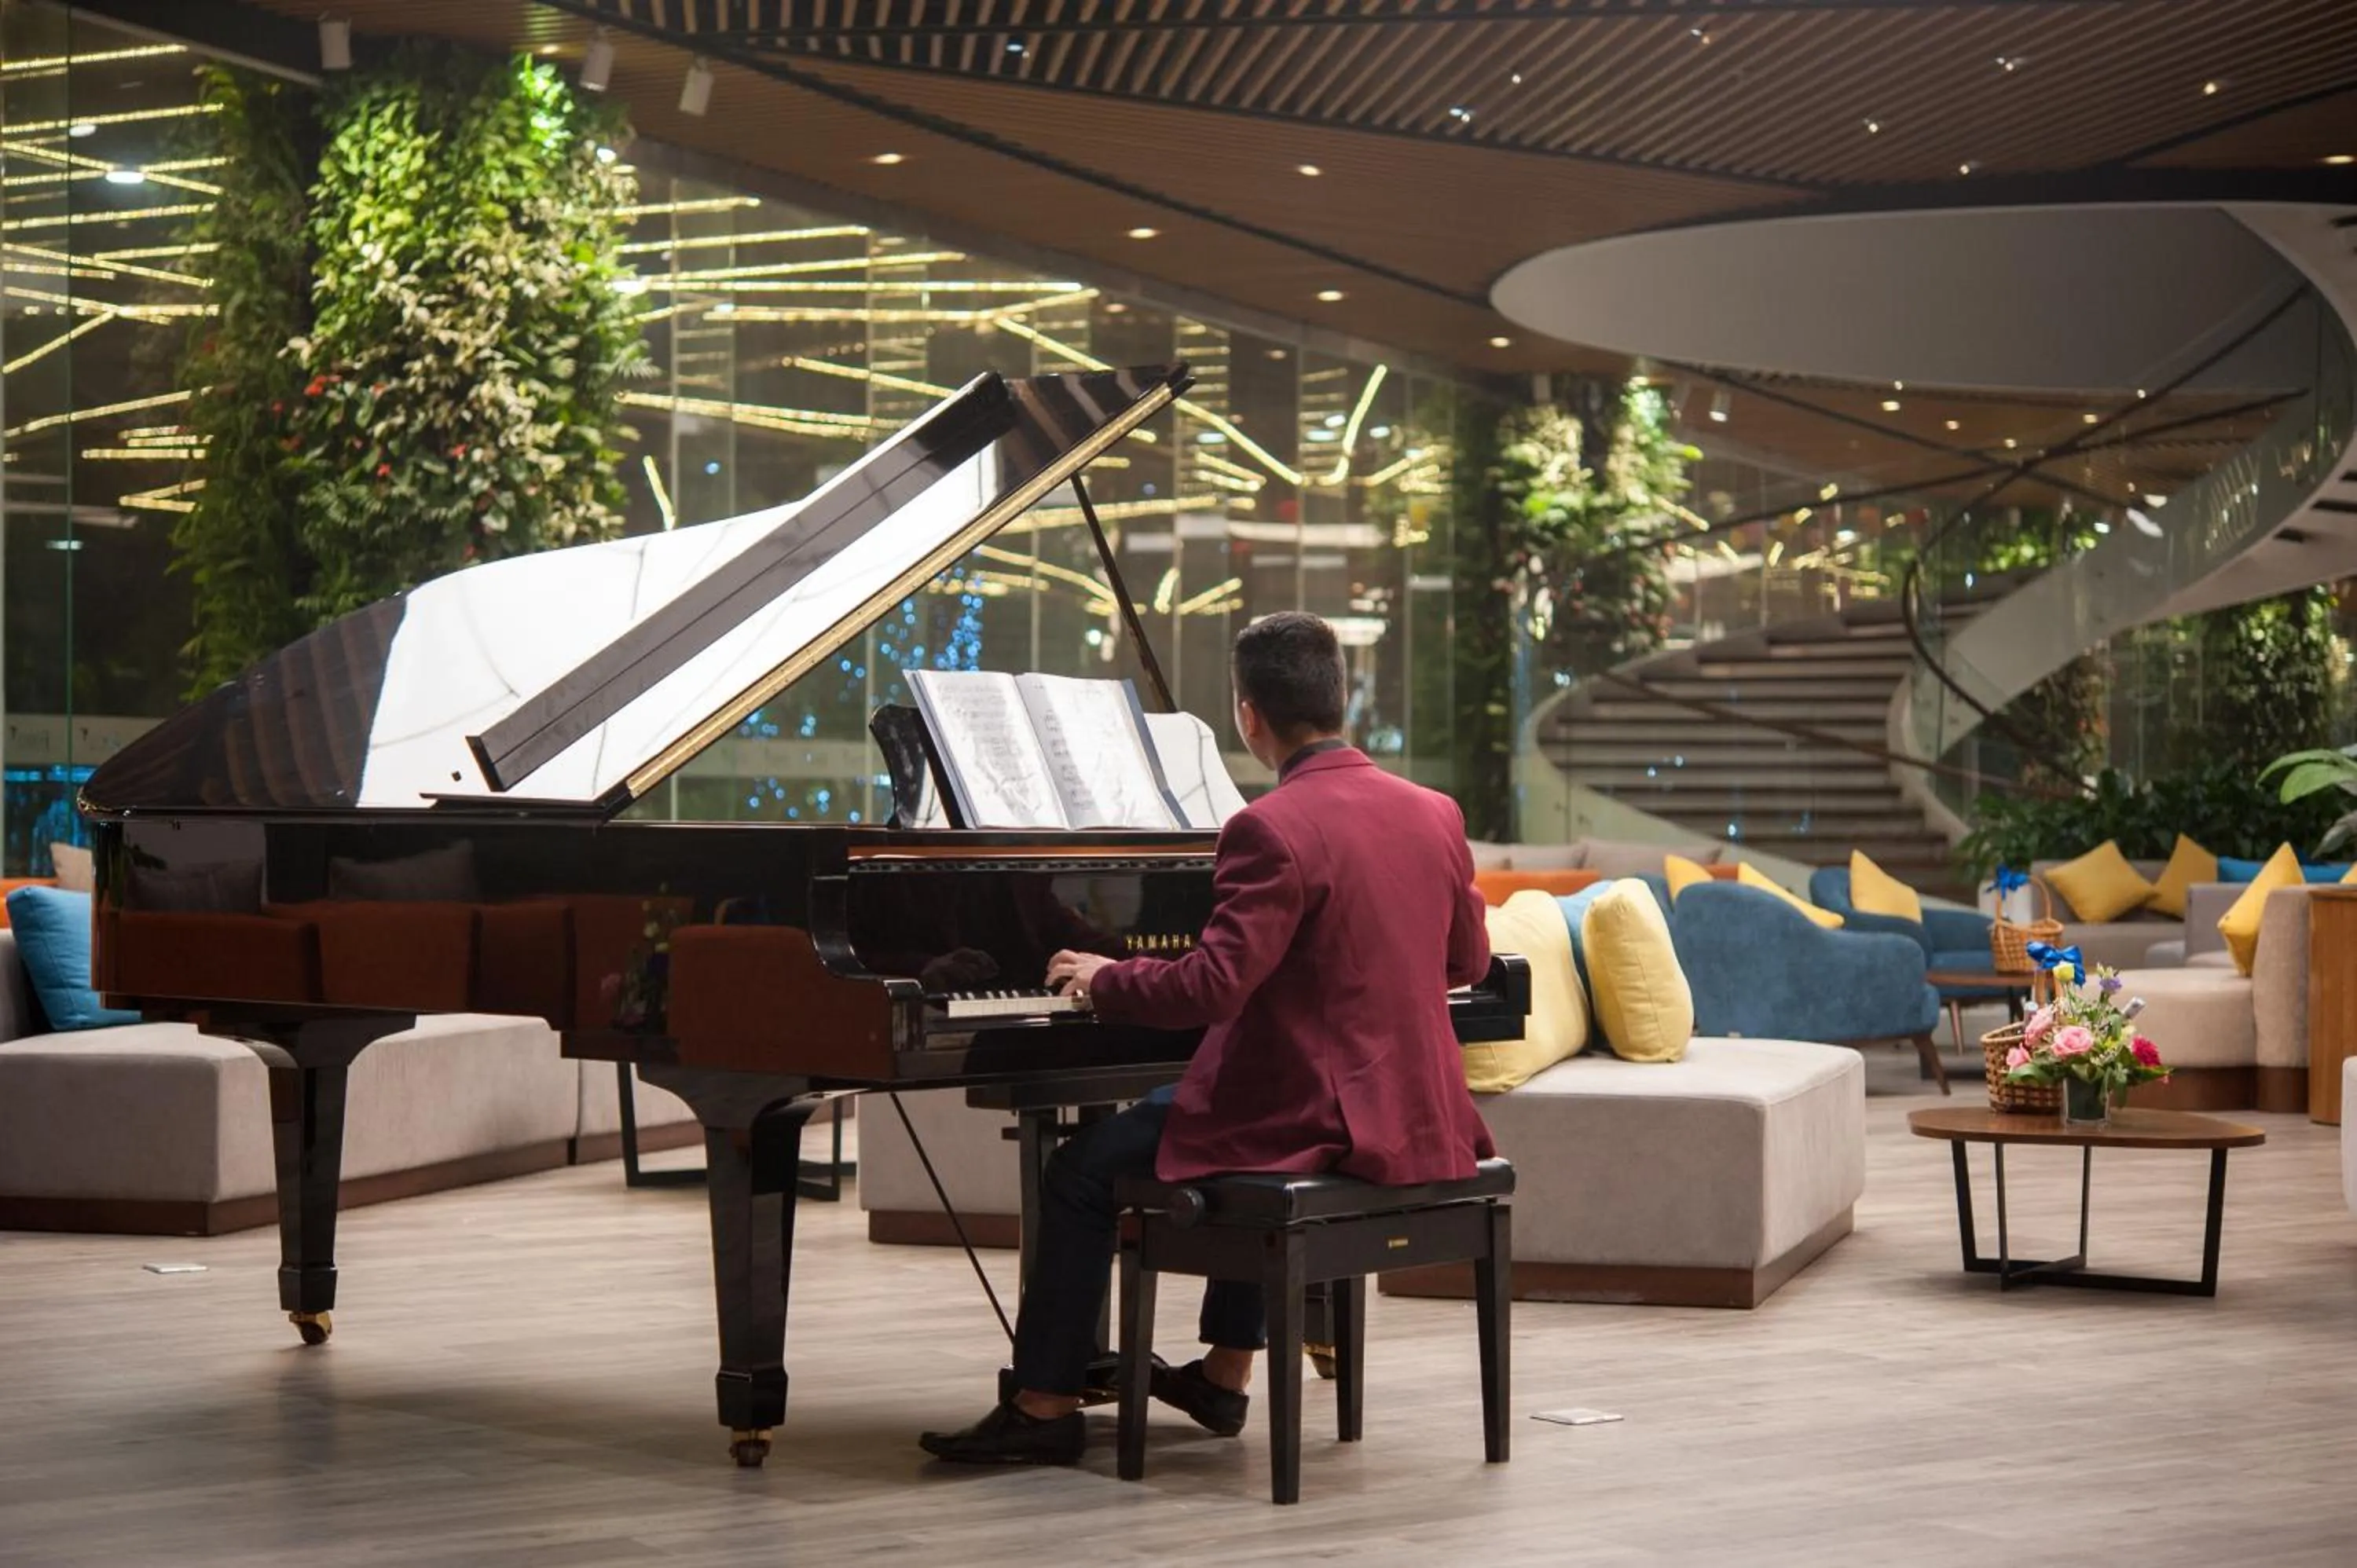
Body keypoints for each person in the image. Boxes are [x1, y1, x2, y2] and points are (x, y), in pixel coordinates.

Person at [918, 611, 1494, 1466]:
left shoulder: (1269, 826)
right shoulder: (1434, 812)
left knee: (1081, 1170)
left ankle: (1043, 1406)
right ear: (1339, 699)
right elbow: (1469, 959)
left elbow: (1214, 985)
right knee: (1199, 1107)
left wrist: (1104, 977)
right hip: (1409, 1107)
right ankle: (1222, 1378)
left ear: (1247, 715)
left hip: (1308, 1113)